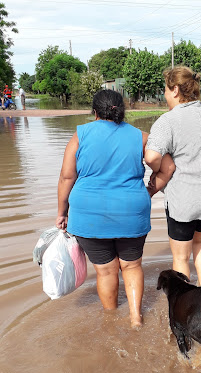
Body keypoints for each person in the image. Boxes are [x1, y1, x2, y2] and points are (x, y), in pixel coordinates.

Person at [56, 89, 151, 328]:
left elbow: (67, 178)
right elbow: (167, 167)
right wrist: (149, 191)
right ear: (121, 110)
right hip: (132, 211)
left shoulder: (81, 135)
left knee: (106, 271)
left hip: (89, 215)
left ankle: (110, 321)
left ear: (95, 112)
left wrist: (61, 213)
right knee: (132, 266)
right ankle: (136, 319)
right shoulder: (141, 136)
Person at [144, 65, 201, 286]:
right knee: (200, 243)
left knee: (181, 257)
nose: (165, 95)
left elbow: (151, 156)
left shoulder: (167, 121)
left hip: (184, 201)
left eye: (165, 90)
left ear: (175, 90)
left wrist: (160, 170)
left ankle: (185, 302)